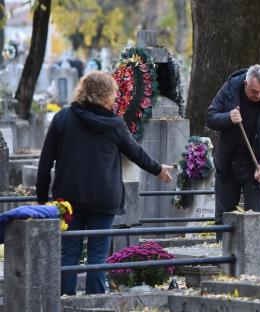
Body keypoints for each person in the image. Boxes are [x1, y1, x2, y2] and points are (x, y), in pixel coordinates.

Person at [36, 71, 173, 295]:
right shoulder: (114, 124)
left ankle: (64, 302)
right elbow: (136, 153)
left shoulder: (63, 118)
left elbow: (45, 162)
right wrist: (158, 169)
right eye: (114, 93)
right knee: (97, 257)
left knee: (69, 253)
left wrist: (42, 200)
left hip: (68, 199)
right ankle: (95, 304)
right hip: (103, 197)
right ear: (106, 96)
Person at [207, 64, 260, 236]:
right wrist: (228, 117)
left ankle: (252, 260)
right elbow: (211, 117)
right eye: (253, 91)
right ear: (245, 84)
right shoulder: (230, 89)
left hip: (256, 166)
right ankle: (223, 257)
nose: (258, 95)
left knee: (254, 220)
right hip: (228, 163)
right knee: (224, 219)